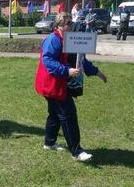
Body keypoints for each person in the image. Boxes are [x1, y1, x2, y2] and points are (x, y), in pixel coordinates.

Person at [34, 13, 107, 162]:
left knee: (55, 115)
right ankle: (76, 151)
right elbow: (47, 60)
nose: (70, 25)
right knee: (68, 114)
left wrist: (96, 72)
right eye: (67, 23)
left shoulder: (70, 40)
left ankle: (49, 143)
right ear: (59, 25)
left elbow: (80, 59)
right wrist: (66, 71)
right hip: (52, 85)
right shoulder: (53, 40)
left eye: (71, 23)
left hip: (59, 84)